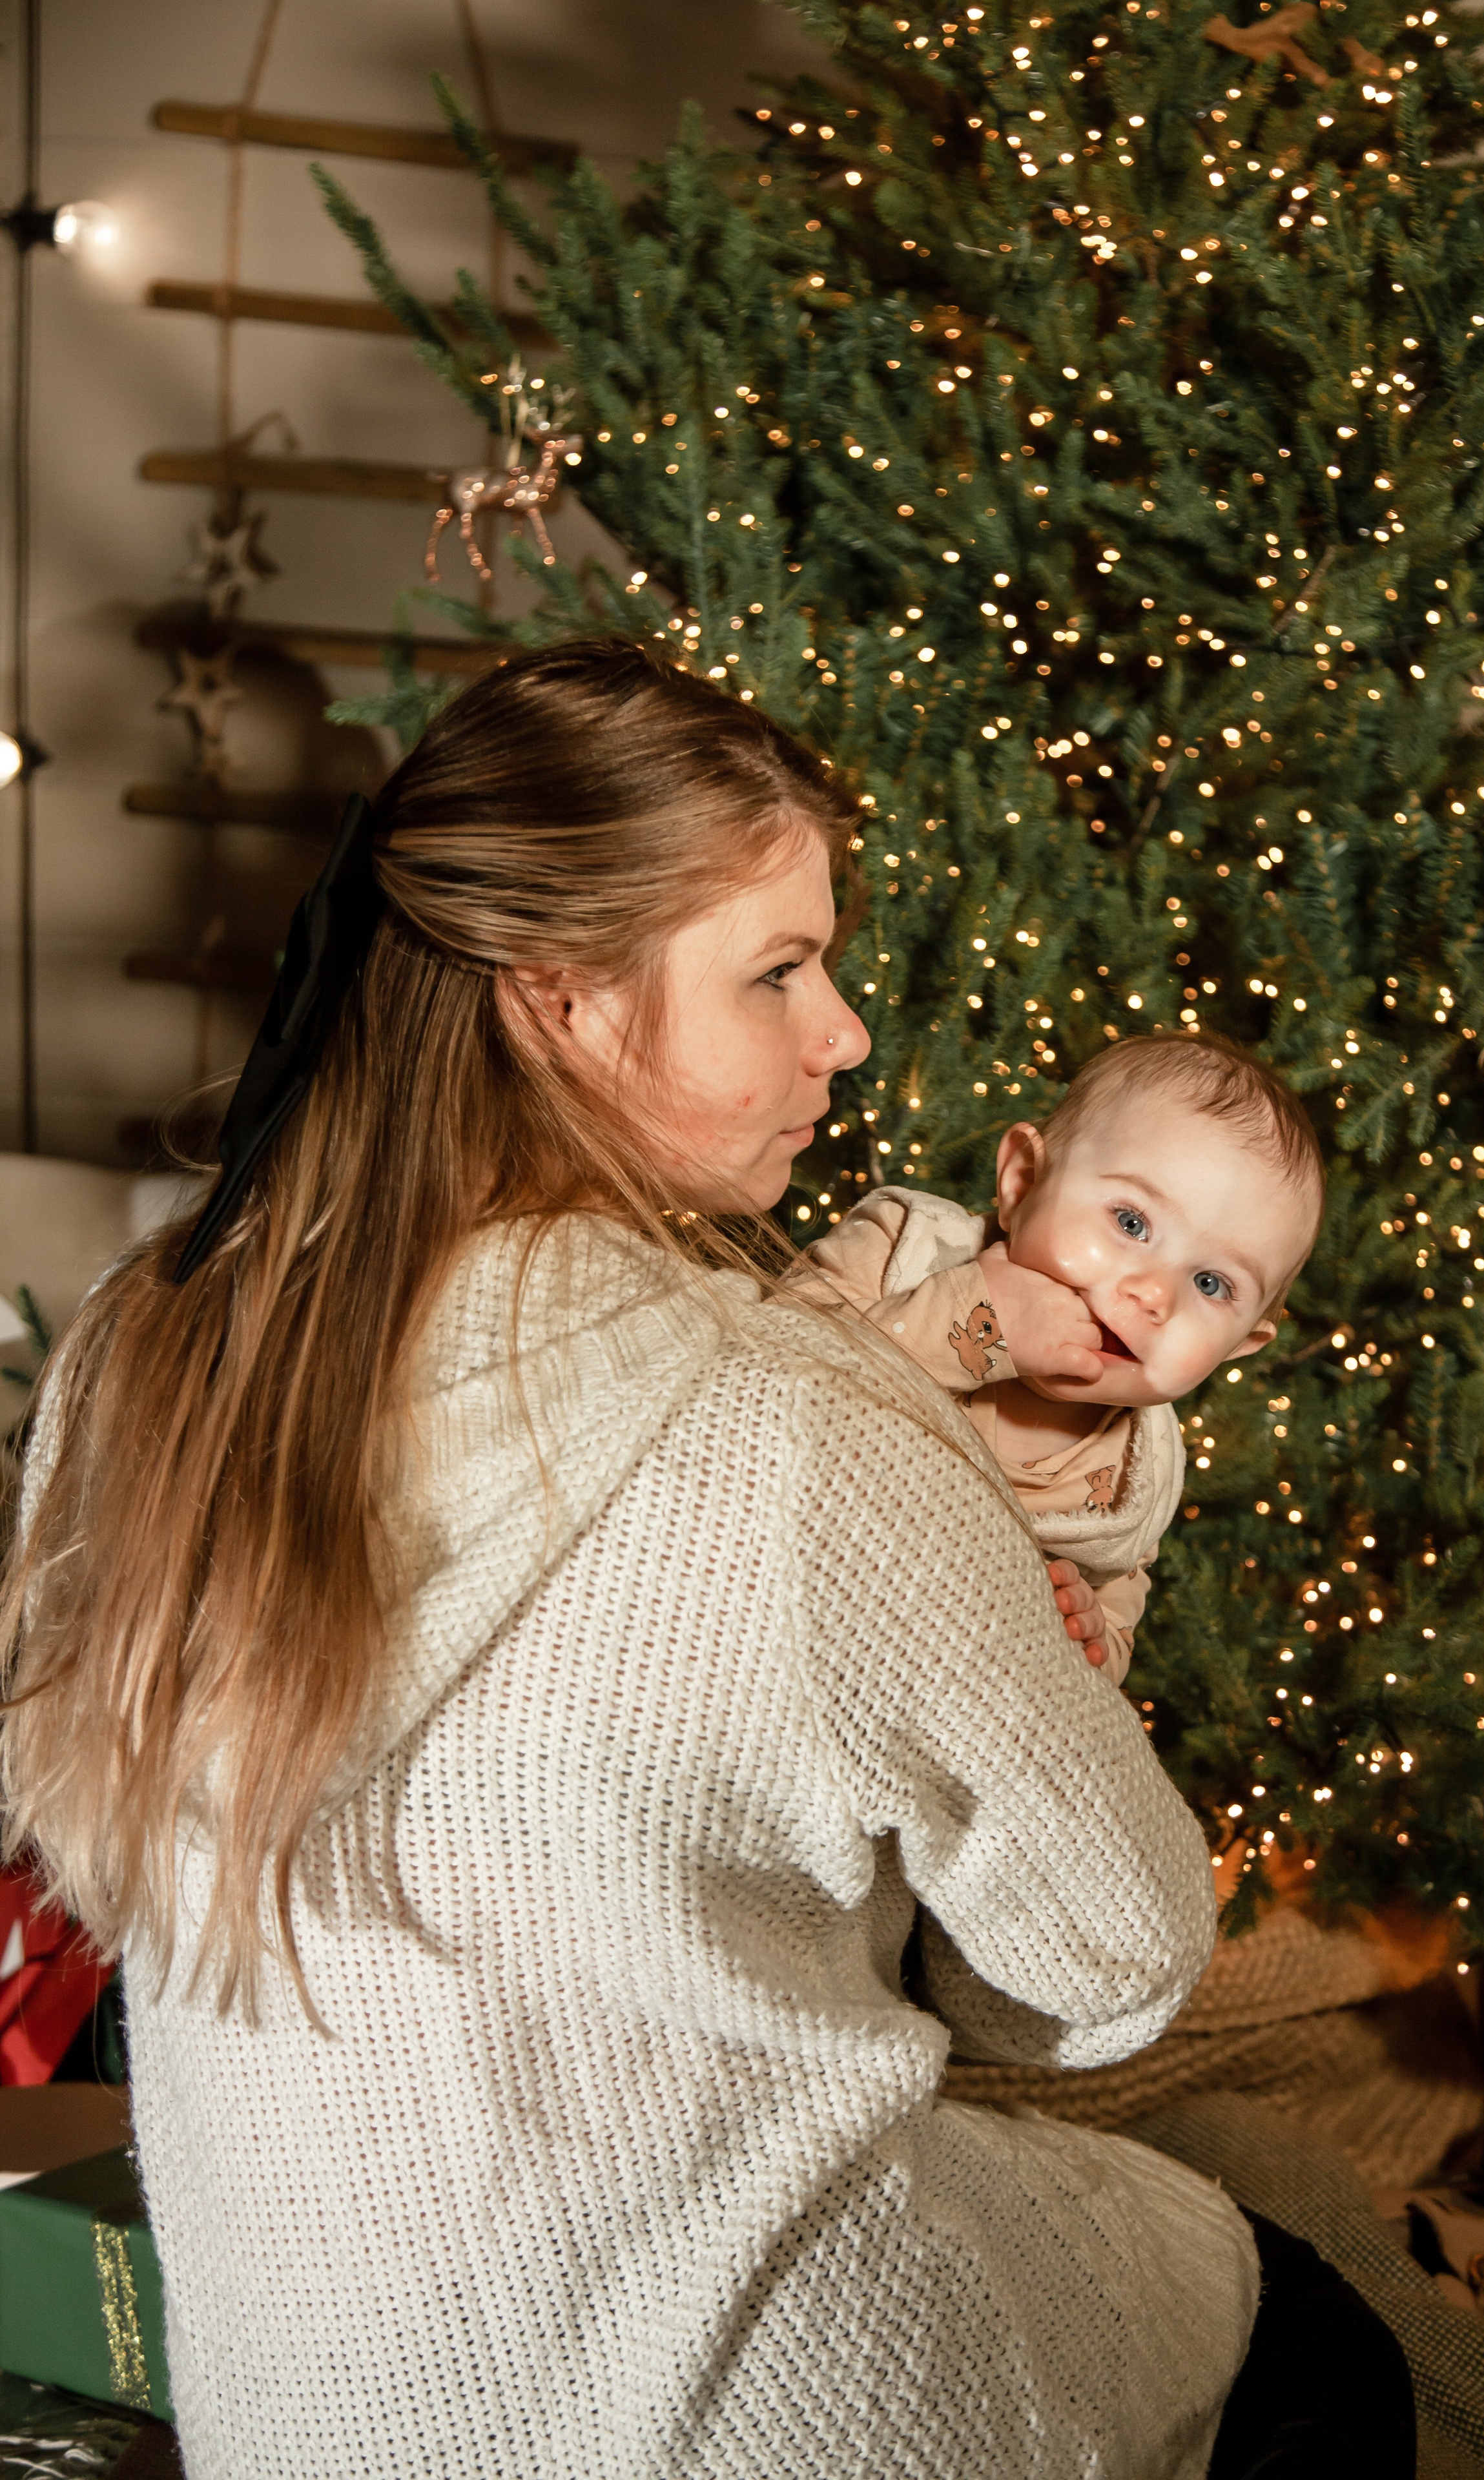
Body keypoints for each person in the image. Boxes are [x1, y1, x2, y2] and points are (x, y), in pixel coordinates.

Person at [1, 642, 1410, 2478]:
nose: (846, 1035)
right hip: (714, 2412)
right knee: (1318, 2340)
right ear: (566, 1000)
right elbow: (1102, 1969)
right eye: (779, 973)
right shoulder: (796, 1425)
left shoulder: (139, 1340)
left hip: (300, 2415)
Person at [788, 1035, 1324, 1684]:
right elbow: (765, 1369)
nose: (1153, 1295)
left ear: (1239, 1346)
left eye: (1211, 1285)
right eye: (1131, 1222)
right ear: (1022, 1183)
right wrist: (973, 1321)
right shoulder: (902, 1251)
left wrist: (1090, 1637)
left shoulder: (1139, 1477)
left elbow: (1105, 1646)